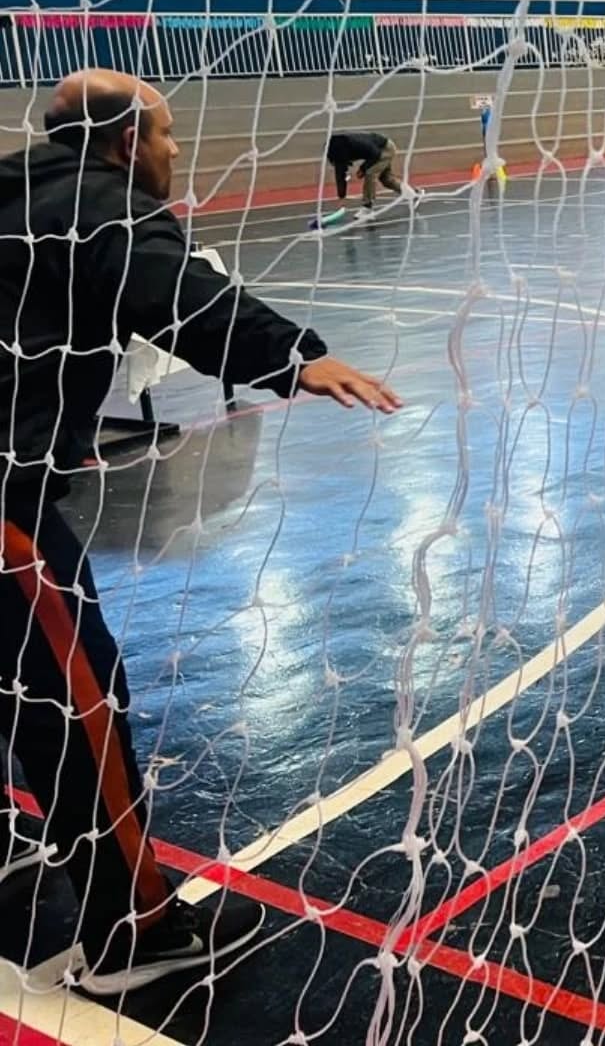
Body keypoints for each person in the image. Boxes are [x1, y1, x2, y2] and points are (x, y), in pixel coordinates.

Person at [0, 69, 401, 996]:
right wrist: (297, 358)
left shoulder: (15, 186)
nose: (176, 150)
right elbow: (180, 295)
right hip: (6, 507)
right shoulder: (102, 204)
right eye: (168, 133)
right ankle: (135, 933)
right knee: (77, 705)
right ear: (125, 141)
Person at [326, 130, 411, 218]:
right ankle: (412, 195)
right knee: (386, 179)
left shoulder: (356, 145)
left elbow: (376, 154)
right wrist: (341, 196)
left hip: (385, 149)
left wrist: (363, 169)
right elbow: (340, 174)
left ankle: (367, 208)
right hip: (378, 150)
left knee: (370, 174)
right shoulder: (337, 149)